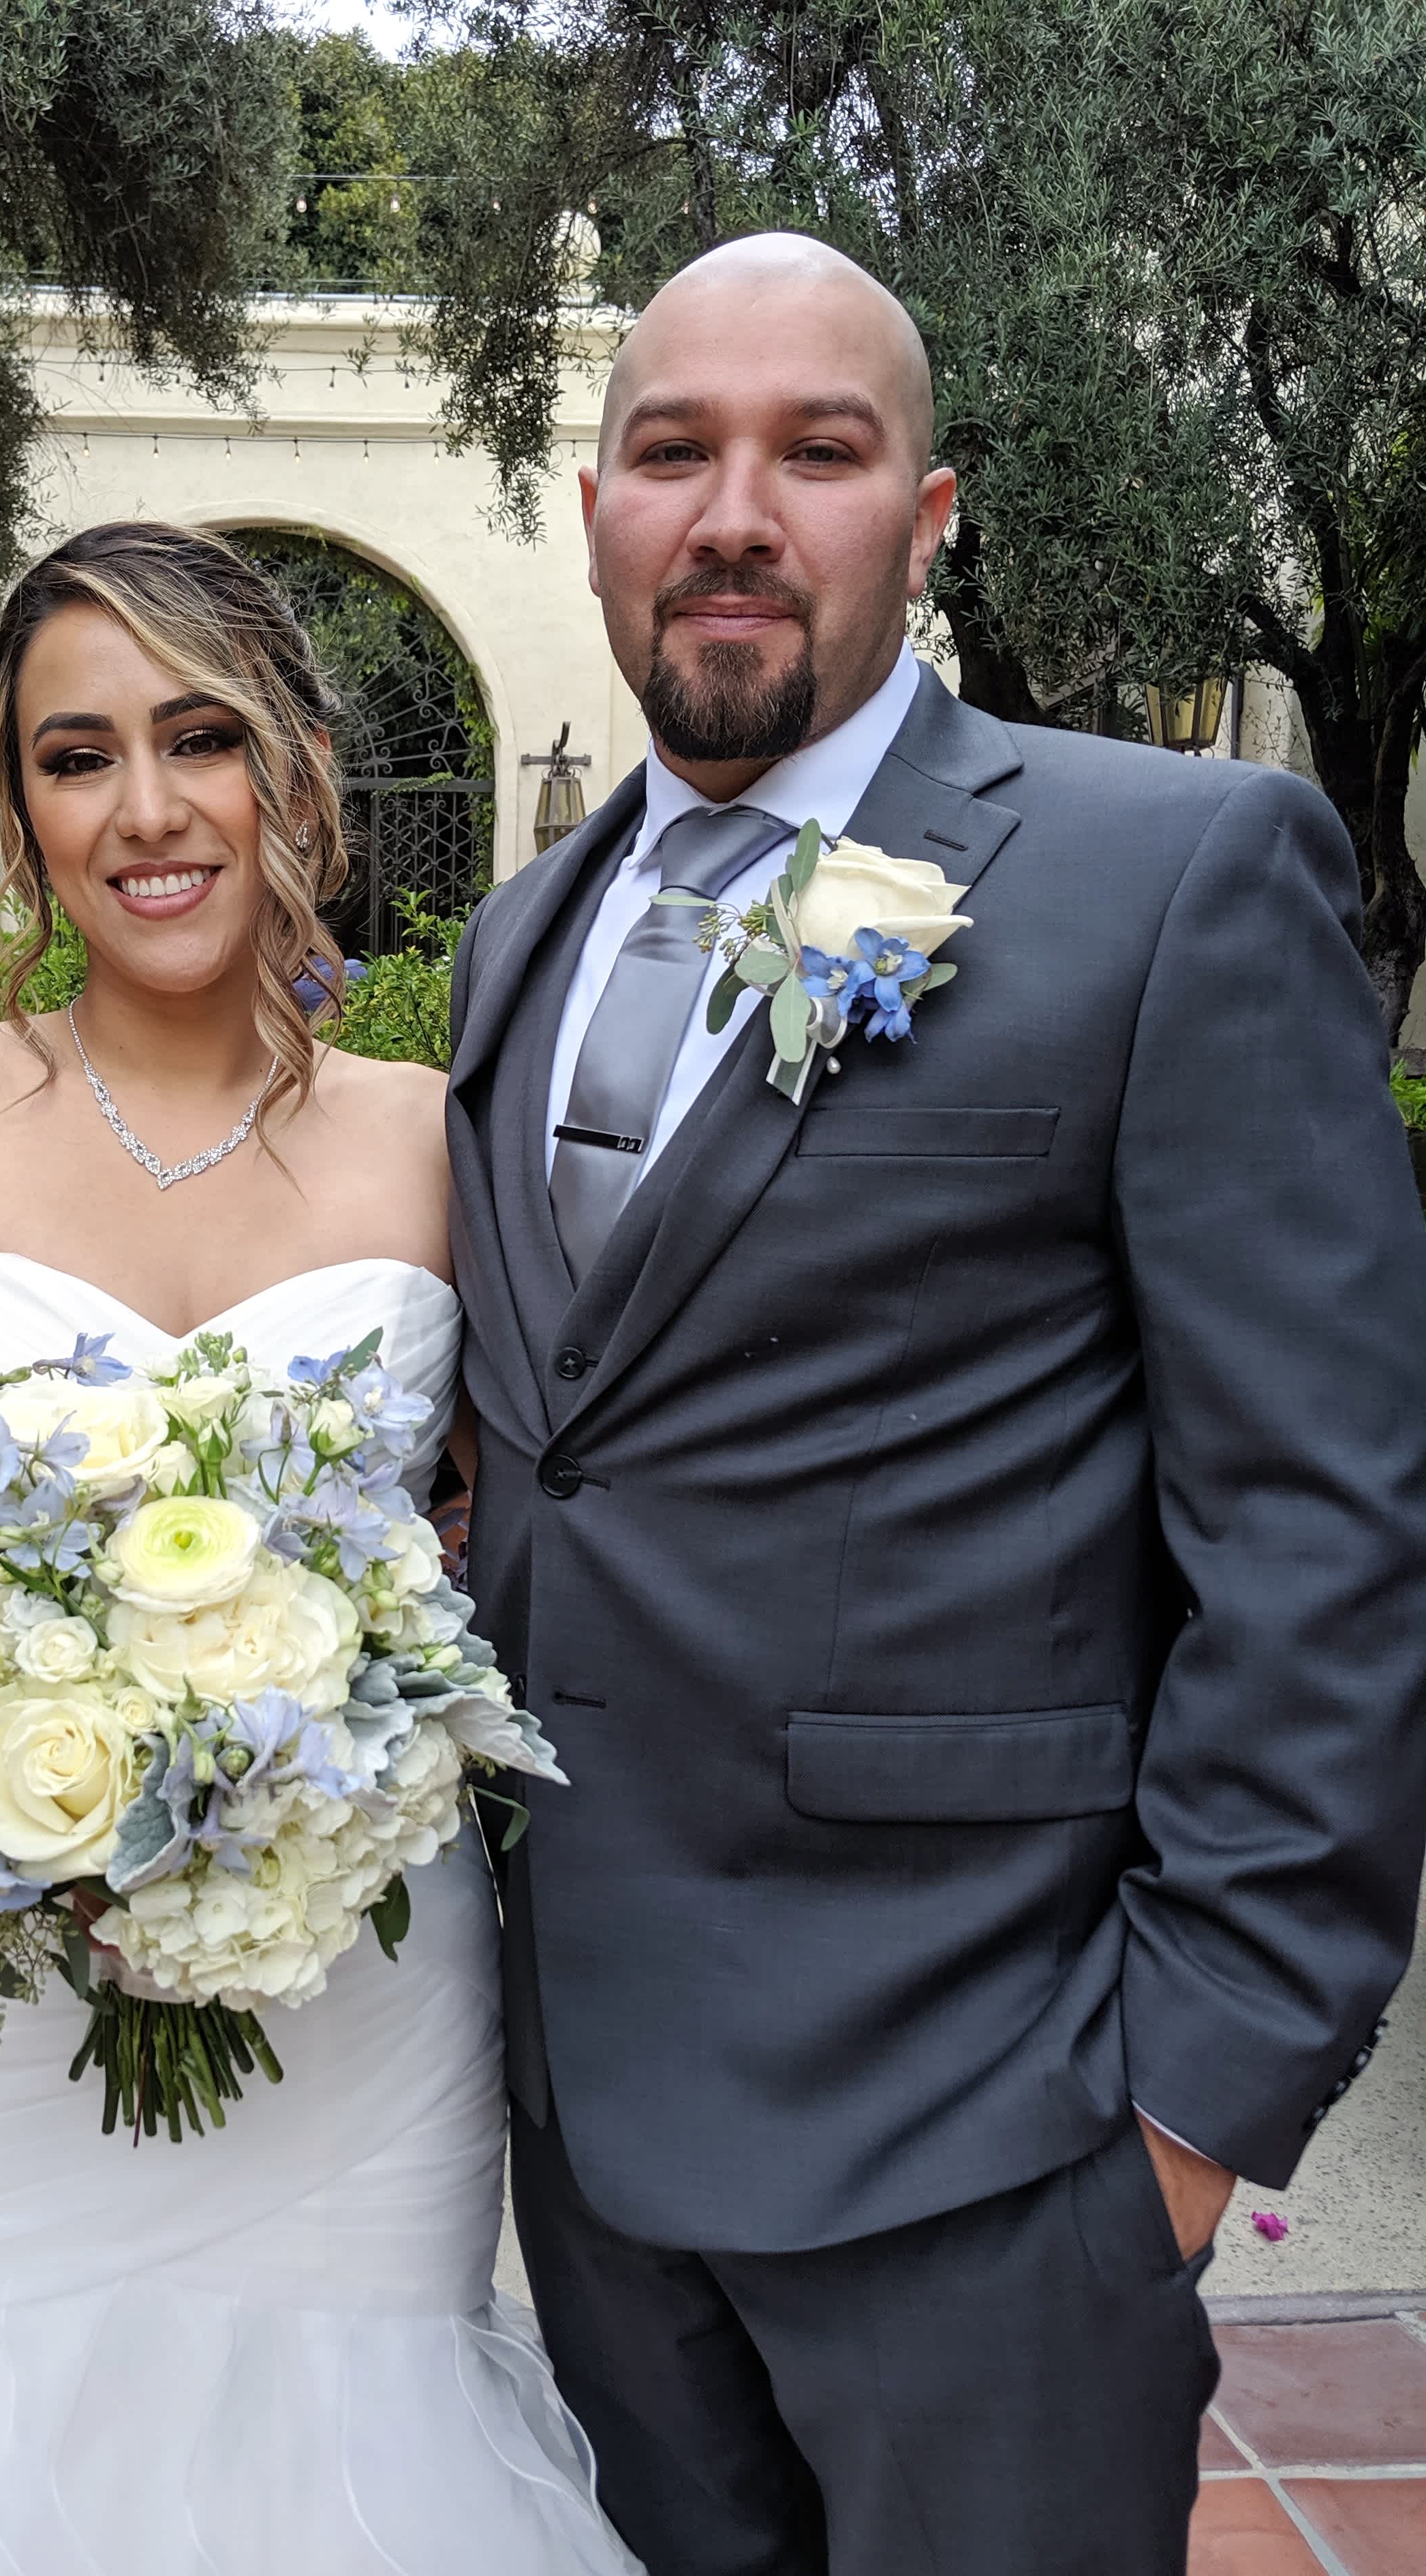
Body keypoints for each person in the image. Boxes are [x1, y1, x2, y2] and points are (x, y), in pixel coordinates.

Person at [447, 232, 1426, 2576]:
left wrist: (1188, 2113)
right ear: (593, 509)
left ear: (930, 511)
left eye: (820, 449)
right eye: (672, 451)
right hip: (584, 2139)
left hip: (990, 2143)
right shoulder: (512, 942)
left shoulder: (1170, 876)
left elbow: (1324, 1533)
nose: (735, 513)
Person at [0, 523, 639, 2576]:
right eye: (78, 758)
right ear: (20, 813)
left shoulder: (437, 1136)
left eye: (201, 739)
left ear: (294, 775)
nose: (148, 810)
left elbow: (525, 1524)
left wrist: (269, 1801)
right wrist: (13, 1790)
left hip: (351, 1982)